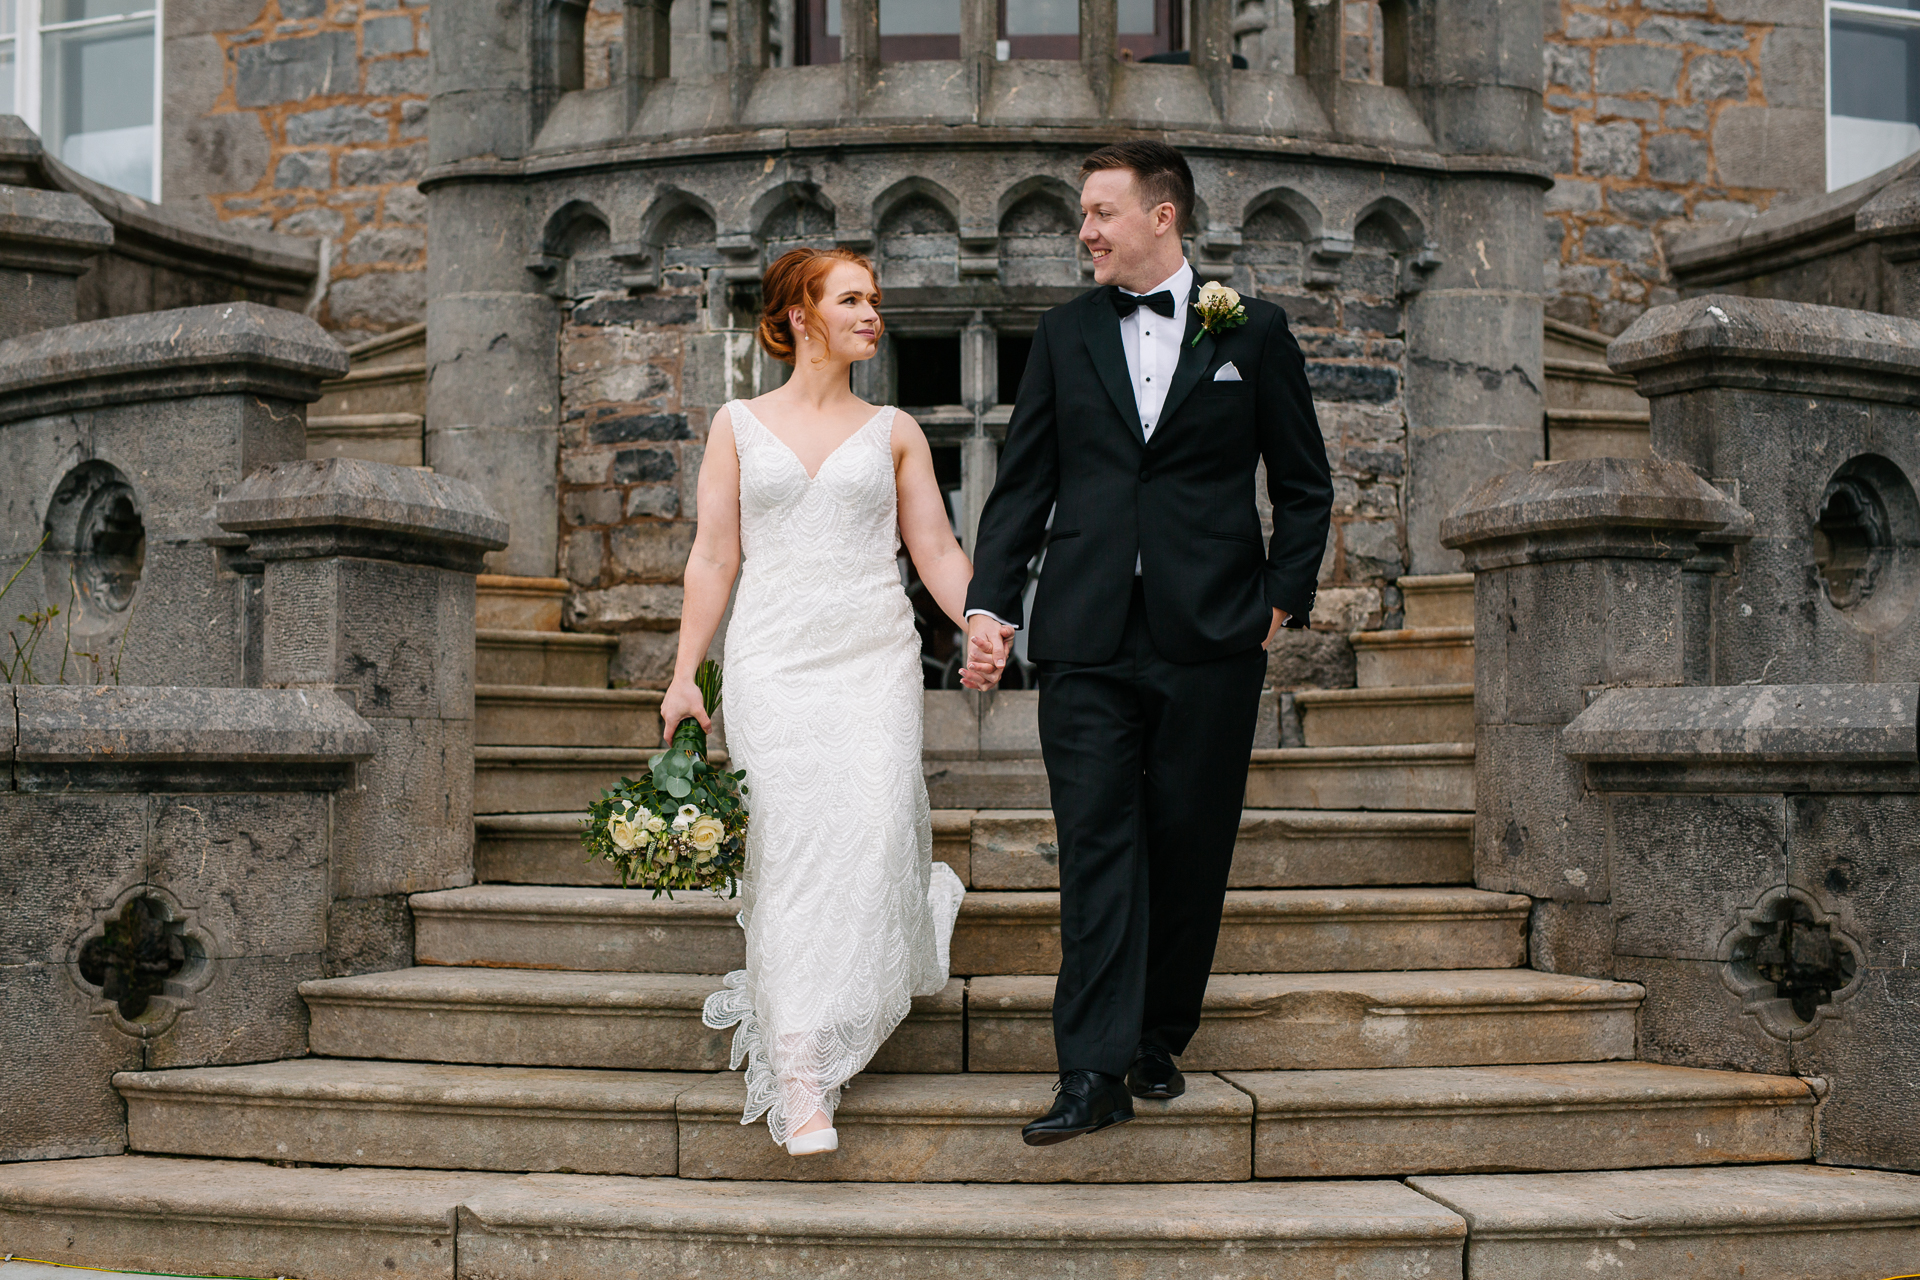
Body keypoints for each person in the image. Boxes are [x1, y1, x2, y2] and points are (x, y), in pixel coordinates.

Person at [964, 141, 1333, 1145]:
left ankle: (1157, 1031)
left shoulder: (1251, 332)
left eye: (1098, 211)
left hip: (1212, 633)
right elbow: (1021, 489)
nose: (1083, 230)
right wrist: (990, 610)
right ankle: (1090, 1068)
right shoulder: (1063, 333)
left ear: (1161, 216)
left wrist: (1280, 602)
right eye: (1083, 214)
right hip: (1085, 635)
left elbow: (1303, 484)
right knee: (1094, 851)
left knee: (1188, 843)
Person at [662, 247, 1003, 1157]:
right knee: (794, 842)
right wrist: (688, 672)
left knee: (876, 820)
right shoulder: (736, 423)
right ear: (800, 314)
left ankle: (843, 995)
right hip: (773, 660)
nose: (872, 314)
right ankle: (803, 1070)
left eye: (875, 300)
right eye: (852, 298)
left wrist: (975, 619)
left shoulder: (894, 429)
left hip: (873, 658)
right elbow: (714, 556)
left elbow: (933, 547)